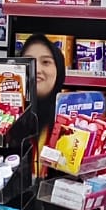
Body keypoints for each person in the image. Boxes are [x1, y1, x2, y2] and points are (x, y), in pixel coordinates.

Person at [14, 34, 67, 172]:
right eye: (28, 60)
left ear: (59, 70)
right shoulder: (3, 118)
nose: (36, 69)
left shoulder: (71, 123)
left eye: (46, 62)